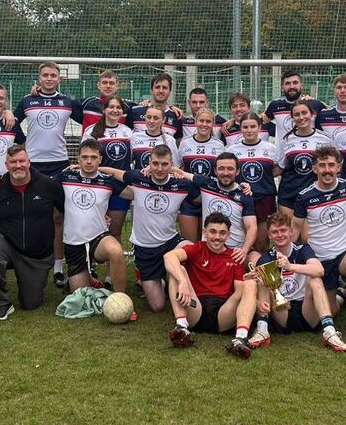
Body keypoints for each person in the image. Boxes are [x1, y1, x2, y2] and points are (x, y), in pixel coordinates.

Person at [291, 145, 346, 338]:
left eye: (331, 165)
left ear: (338, 167)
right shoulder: (305, 196)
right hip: (321, 259)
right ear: (314, 169)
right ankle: (341, 295)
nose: (327, 170)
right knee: (328, 312)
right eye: (322, 165)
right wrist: (285, 256)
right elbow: (295, 228)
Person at [13, 62, 84, 287]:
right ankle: (30, 262)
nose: (49, 79)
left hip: (59, 164)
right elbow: (11, 122)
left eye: (53, 75)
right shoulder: (28, 100)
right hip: (32, 165)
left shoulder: (67, 102)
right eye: (45, 75)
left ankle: (58, 267)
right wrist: (23, 142)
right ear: (39, 78)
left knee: (58, 217)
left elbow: (91, 119)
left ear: (59, 79)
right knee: (31, 215)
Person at [99, 145, 192, 313]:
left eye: (165, 164)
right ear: (149, 163)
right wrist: (90, 168)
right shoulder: (138, 178)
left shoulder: (181, 184)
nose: (159, 168)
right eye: (155, 163)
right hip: (145, 249)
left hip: (170, 242)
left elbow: (207, 187)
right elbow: (112, 173)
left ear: (171, 164)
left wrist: (181, 172)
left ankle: (176, 278)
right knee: (158, 306)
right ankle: (156, 276)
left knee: (192, 250)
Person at [0, 144, 66, 319]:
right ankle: (2, 303)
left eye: (21, 161)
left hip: (37, 255)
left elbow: (69, 209)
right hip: (8, 246)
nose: (18, 165)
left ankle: (31, 283)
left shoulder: (48, 185)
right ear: (6, 165)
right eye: (13, 162)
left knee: (30, 304)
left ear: (29, 162)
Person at [249, 211, 346, 351]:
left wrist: (290, 266)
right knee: (262, 281)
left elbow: (319, 270)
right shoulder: (266, 258)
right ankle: (262, 330)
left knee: (316, 281)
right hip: (283, 311)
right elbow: (258, 291)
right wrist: (252, 279)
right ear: (269, 235)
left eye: (283, 230)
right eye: (275, 232)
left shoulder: (303, 249)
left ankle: (329, 332)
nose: (279, 235)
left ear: (291, 231)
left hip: (307, 309)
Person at [163, 212, 258, 358]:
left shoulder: (235, 256)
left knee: (250, 283)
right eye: (212, 231)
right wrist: (183, 281)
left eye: (222, 233)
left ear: (228, 235)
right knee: (177, 271)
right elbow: (168, 256)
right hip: (196, 308)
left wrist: (247, 286)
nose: (217, 237)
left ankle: (240, 339)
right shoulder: (197, 248)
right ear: (205, 232)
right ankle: (182, 327)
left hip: (223, 313)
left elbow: (239, 292)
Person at [58, 139, 127, 292]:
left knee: (116, 251)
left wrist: (173, 173)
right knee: (80, 296)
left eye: (94, 157)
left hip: (98, 238)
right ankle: (87, 278)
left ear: (100, 159)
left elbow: (137, 193)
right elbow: (40, 185)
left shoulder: (108, 180)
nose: (89, 161)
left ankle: (121, 297)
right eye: (85, 157)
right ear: (78, 159)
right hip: (74, 243)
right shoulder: (65, 177)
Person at [175, 152, 257, 262]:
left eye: (230, 169)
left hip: (235, 251)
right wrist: (177, 174)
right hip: (210, 249)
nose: (225, 173)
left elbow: (252, 227)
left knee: (256, 259)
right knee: (178, 255)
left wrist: (244, 250)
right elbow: (179, 172)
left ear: (237, 171)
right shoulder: (207, 184)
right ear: (215, 171)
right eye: (221, 169)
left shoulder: (244, 195)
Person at [88, 95, 136, 241]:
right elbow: (86, 157)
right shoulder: (92, 131)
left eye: (118, 107)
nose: (115, 110)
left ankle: (115, 256)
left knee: (115, 232)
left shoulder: (128, 132)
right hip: (99, 186)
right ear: (104, 109)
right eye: (111, 107)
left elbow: (133, 158)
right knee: (95, 231)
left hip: (120, 188)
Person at [275, 99, 334, 214]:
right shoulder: (286, 139)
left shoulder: (325, 139)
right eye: (297, 114)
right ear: (292, 118)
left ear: (311, 114)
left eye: (304, 113)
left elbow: (332, 166)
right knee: (289, 226)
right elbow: (281, 167)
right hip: (289, 194)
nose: (301, 117)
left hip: (315, 194)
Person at [230, 112, 276, 254]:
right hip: (242, 198)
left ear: (259, 127)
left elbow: (278, 169)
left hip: (264, 198)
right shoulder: (232, 150)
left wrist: (263, 179)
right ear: (240, 128)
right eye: (245, 127)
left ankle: (262, 266)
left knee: (262, 242)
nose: (249, 130)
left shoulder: (270, 148)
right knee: (244, 240)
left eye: (253, 126)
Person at [177, 107, 224, 242]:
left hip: (210, 197)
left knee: (209, 242)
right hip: (189, 198)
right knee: (190, 243)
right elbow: (179, 167)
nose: (204, 124)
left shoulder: (219, 145)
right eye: (201, 121)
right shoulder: (185, 143)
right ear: (195, 122)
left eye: (208, 121)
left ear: (213, 124)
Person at [265, 69, 325, 142]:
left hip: (310, 148)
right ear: (282, 87)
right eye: (287, 83)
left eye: (295, 83)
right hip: (284, 149)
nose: (292, 86)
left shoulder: (315, 105)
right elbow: (262, 121)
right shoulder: (275, 105)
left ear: (301, 85)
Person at [127, 72, 183, 139]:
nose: (161, 90)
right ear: (151, 90)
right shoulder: (135, 111)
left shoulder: (176, 116)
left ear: (170, 91)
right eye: (157, 87)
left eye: (164, 88)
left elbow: (177, 142)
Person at [131, 105, 179, 170]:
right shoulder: (135, 137)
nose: (151, 121)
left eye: (156, 118)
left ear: (163, 120)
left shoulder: (169, 140)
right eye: (149, 117)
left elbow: (176, 167)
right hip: (139, 176)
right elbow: (129, 162)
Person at [81, 69, 126, 135]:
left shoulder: (126, 106)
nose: (108, 86)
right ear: (98, 85)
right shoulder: (86, 104)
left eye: (111, 83)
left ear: (117, 86)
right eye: (104, 83)